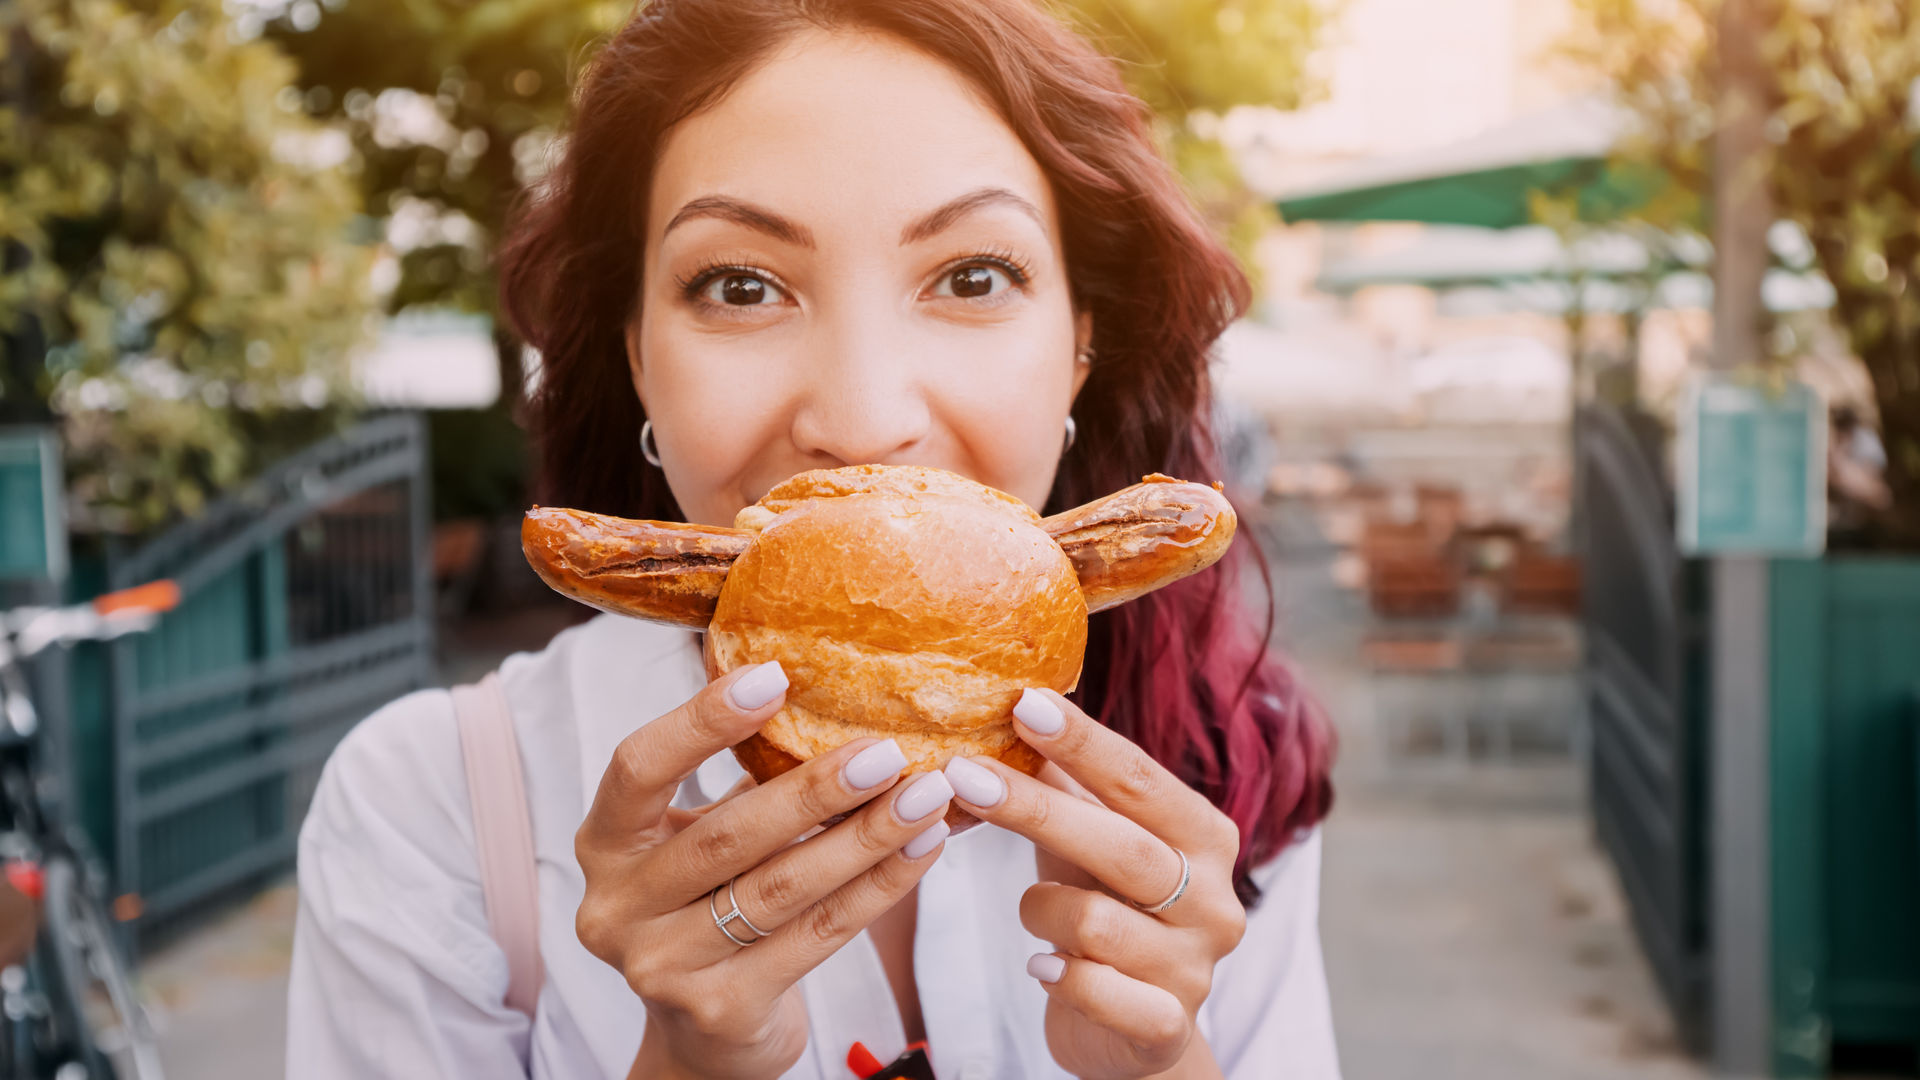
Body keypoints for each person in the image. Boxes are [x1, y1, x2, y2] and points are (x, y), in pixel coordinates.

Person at [285, 1, 1338, 1076]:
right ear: (638, 355)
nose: (864, 418)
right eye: (740, 286)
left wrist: (1163, 1069)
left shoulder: (1225, 756)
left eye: (973, 277)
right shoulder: (431, 809)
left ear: (1080, 341)